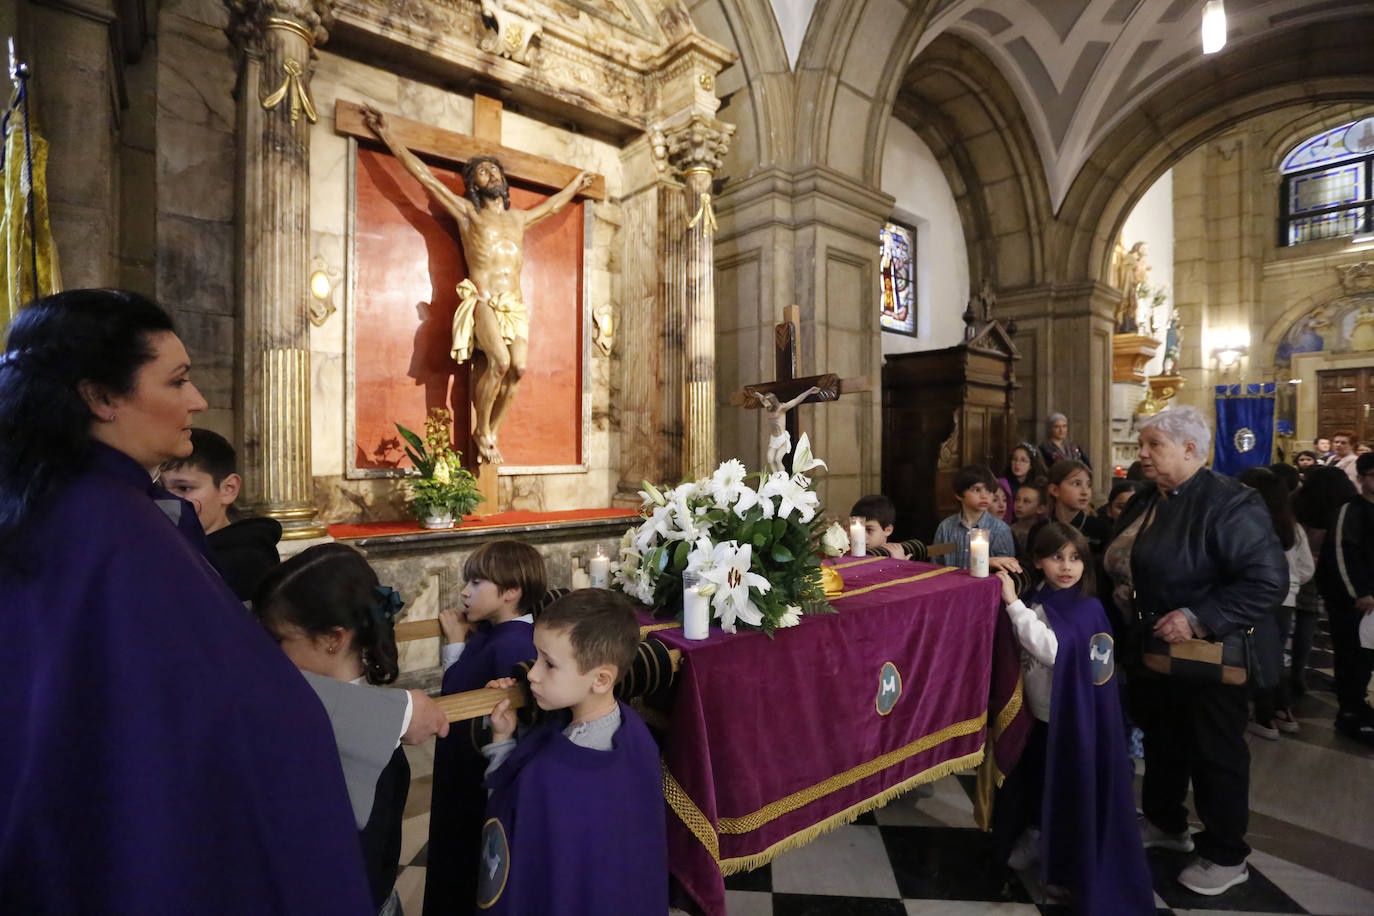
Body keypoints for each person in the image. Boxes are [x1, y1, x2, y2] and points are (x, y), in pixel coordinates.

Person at [0, 289, 374, 913]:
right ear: (101, 397)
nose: (197, 401)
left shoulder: (50, 501)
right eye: (176, 382)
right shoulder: (115, 531)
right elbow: (220, 712)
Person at [1103, 405, 1286, 897]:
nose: (1142, 453)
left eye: (1153, 444)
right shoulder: (1149, 496)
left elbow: (1267, 580)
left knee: (1214, 752)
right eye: (1142, 443)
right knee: (1164, 742)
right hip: (1153, 649)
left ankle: (1227, 854)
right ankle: (1167, 824)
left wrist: (1197, 616)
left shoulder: (1230, 502)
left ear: (1190, 449)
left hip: (1207, 653)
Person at [361, 106, 593, 466]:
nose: (491, 173)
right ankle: (481, 429)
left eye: (495, 169)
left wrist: (575, 187)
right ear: (474, 184)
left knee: (518, 369)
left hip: (514, 304)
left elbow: (551, 208)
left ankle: (490, 431)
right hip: (482, 299)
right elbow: (426, 178)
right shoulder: (468, 214)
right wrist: (388, 136)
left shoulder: (518, 218)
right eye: (483, 171)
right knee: (498, 362)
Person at [992, 524, 1153, 913]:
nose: (1067, 567)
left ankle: (1068, 870)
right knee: (1035, 783)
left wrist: (1012, 603)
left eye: (1076, 557)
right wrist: (988, 568)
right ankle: (1035, 835)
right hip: (1039, 713)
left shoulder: (1087, 608)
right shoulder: (1038, 594)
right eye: (1056, 557)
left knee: (1069, 791)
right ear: (1037, 560)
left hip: (1072, 717)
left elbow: (1054, 652)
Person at [477, 589, 667, 914]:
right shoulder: (633, 732)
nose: (532, 674)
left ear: (601, 679)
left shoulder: (556, 776)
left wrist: (501, 748)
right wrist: (506, 734)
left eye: (549, 664)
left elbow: (508, 813)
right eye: (536, 656)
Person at [254, 544, 415, 914]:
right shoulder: (370, 719)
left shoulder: (372, 744)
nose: (262, 652)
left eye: (278, 640)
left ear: (332, 639)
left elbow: (361, 871)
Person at [423, 540, 544, 916]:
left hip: (476, 780)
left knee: (466, 871)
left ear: (511, 592)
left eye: (476, 583)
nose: (464, 591)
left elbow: (460, 697)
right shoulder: (495, 632)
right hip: (461, 771)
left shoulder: (513, 646)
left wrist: (456, 645)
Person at [161, 427, 282, 601]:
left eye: (183, 488)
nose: (168, 500)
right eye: (159, 489)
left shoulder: (246, 564)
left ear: (228, 489)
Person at [1237, 468, 1313, 740]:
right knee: (1277, 656)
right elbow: (1306, 568)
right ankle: (1283, 711)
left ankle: (1264, 715)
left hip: (1255, 600)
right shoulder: (1291, 526)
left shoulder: (1248, 525)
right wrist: (1292, 584)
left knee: (1256, 657)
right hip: (1286, 600)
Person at [1315, 451, 1374, 747]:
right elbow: (1341, 554)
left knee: (1367, 658)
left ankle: (1360, 704)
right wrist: (1360, 592)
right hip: (1352, 601)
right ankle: (1349, 712)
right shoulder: (1350, 510)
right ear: (1362, 478)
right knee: (1352, 656)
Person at [1293, 466, 1358, 697]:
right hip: (1334, 570)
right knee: (1317, 621)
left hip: (1301, 567)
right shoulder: (1347, 507)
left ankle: (1295, 674)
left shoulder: (1300, 502)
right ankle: (1342, 677)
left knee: (1301, 618)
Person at [1026, 460, 1112, 560]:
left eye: (1088, 485)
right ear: (1055, 490)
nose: (1085, 492)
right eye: (1077, 484)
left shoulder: (1100, 529)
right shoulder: (1039, 530)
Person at [933, 465, 1015, 569]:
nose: (984, 496)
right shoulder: (945, 527)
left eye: (989, 490)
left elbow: (1007, 569)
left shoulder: (1000, 530)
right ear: (959, 494)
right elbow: (936, 564)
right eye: (977, 490)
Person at [850, 493, 909, 560]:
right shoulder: (848, 553)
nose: (861, 536)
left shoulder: (896, 556)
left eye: (869, 530)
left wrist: (900, 562)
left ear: (888, 530)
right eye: (857, 531)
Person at [1010, 482, 1044, 555]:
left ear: (1040, 508)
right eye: (1017, 499)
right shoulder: (1008, 530)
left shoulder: (1043, 533)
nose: (1019, 505)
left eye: (1026, 501)